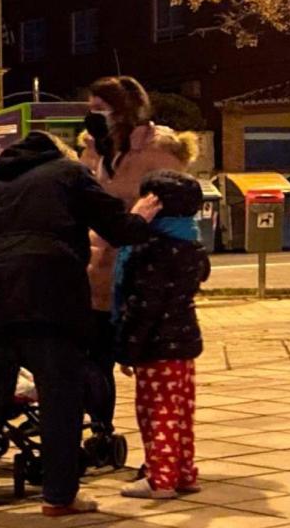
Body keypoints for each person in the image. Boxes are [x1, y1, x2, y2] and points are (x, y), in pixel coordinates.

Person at [0, 131, 161, 516]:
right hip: (47, 293)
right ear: (59, 152)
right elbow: (117, 228)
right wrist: (140, 216)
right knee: (61, 394)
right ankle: (59, 495)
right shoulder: (67, 173)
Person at [80, 76, 197, 437]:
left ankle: (164, 452)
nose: (93, 116)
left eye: (101, 109)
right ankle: (101, 431)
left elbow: (174, 208)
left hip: (141, 274)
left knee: (149, 365)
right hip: (95, 272)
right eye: (91, 109)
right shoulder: (93, 150)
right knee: (93, 358)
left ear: (125, 111)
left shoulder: (160, 150)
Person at [115, 170, 209, 499]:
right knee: (181, 411)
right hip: (184, 341)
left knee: (157, 413)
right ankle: (183, 472)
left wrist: (126, 349)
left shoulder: (151, 249)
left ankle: (160, 478)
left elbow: (144, 306)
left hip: (156, 344)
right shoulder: (191, 243)